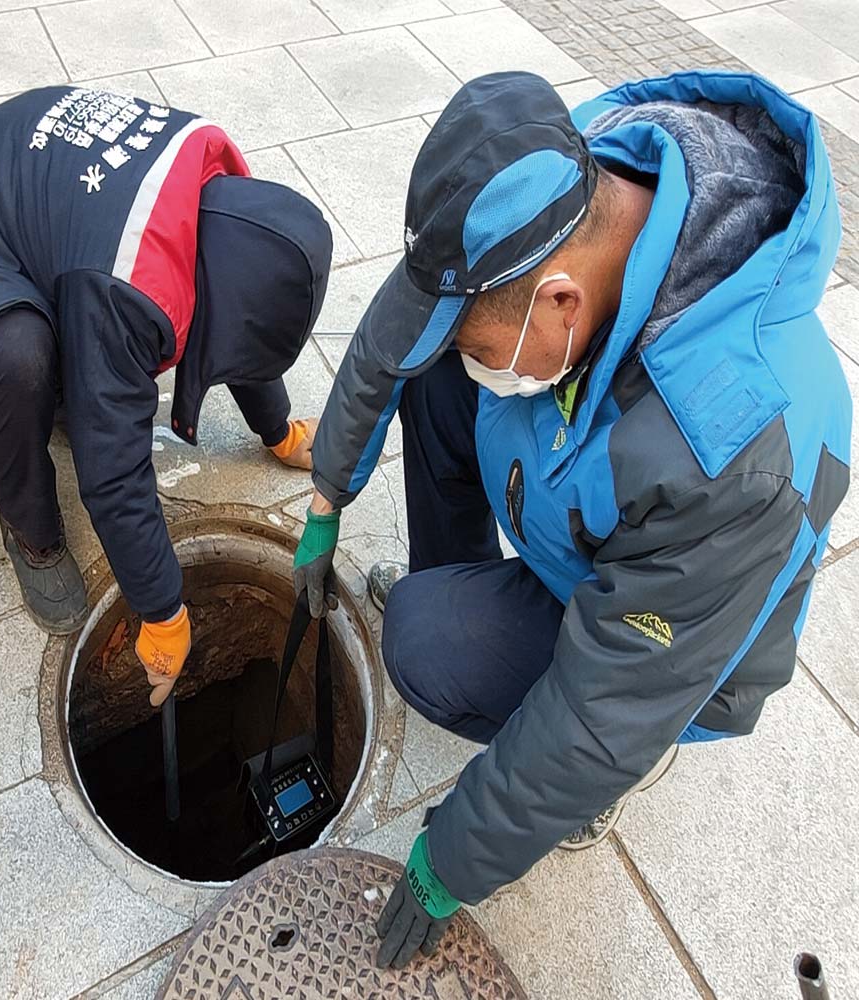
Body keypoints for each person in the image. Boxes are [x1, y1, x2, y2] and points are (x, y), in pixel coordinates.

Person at [292, 71, 851, 968]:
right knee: (436, 377)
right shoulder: (569, 174)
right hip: (586, 500)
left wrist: (455, 858)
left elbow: (608, 706)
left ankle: (592, 785)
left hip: (672, 645)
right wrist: (328, 496)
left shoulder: (733, 455)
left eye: (488, 346)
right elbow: (401, 333)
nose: (482, 363)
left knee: (426, 644)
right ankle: (466, 589)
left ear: (562, 302)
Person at [0, 85, 331, 706]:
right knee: (17, 355)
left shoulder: (224, 206)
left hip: (33, 221)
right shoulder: (130, 279)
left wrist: (277, 430)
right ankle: (29, 530)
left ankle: (66, 382)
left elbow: (240, 321)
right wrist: (163, 611)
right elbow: (111, 472)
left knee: (90, 360)